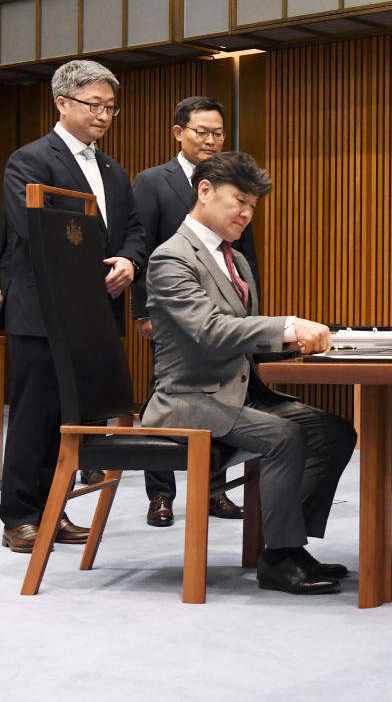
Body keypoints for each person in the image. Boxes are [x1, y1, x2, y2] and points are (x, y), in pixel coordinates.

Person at [143, 152, 355, 594]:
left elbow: (244, 338)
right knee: (284, 437)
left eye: (253, 206)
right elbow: (211, 331)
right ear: (204, 191)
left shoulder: (236, 260)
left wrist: (293, 342)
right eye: (239, 201)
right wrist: (288, 327)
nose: (246, 213)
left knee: (334, 431)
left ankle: (288, 546)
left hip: (238, 392)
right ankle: (278, 557)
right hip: (188, 399)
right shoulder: (171, 258)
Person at [1, 60, 146, 554]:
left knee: (71, 417)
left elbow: (133, 228)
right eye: (93, 104)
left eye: (110, 107)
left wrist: (127, 260)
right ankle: (20, 515)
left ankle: (54, 510)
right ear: (61, 103)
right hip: (42, 312)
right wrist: (95, 268)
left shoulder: (113, 169)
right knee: (33, 415)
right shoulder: (30, 160)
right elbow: (35, 229)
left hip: (92, 313)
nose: (104, 115)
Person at [131, 96, 253, 527]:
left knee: (222, 391)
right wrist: (142, 310)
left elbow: (241, 249)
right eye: (201, 131)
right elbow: (140, 247)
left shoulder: (232, 180)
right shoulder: (151, 181)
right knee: (166, 392)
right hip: (170, 311)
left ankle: (213, 491)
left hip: (223, 309)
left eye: (217, 132)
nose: (210, 140)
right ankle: (160, 495)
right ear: (178, 132)